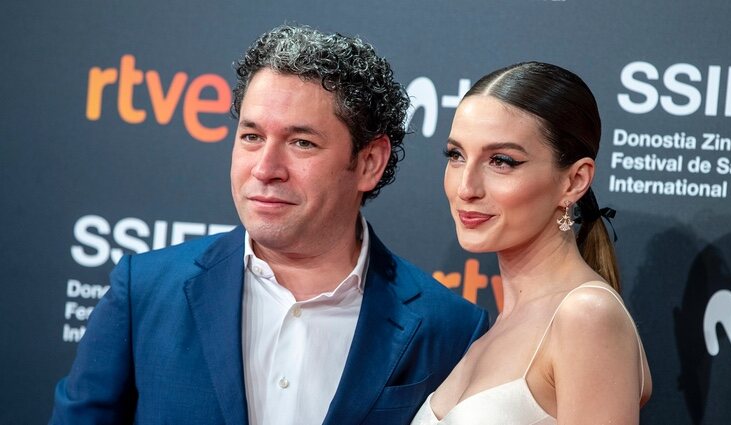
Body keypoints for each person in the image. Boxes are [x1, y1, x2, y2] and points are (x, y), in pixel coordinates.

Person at [51, 25, 489, 425]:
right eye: (252, 136)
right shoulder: (144, 290)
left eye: (301, 142)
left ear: (369, 162)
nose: (265, 168)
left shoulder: (448, 328)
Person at [411, 62, 652, 425]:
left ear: (574, 181)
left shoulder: (586, 315)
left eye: (501, 161)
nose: (466, 188)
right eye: (456, 156)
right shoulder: (495, 329)